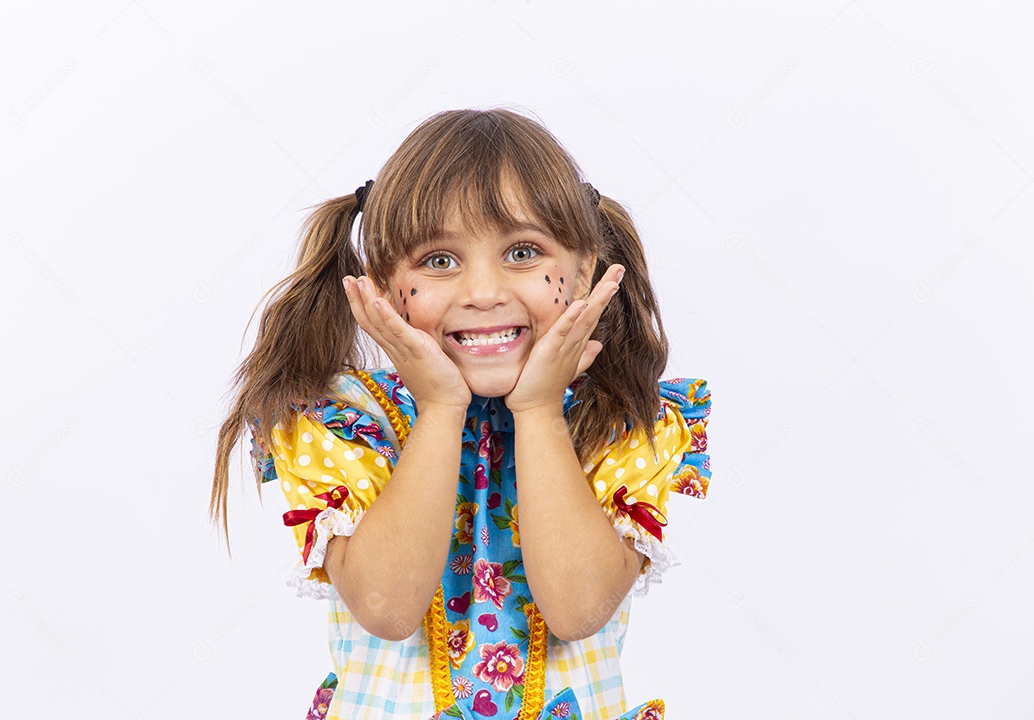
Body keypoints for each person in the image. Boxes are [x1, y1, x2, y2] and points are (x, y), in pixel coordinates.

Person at [211, 108, 712, 720]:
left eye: (523, 252)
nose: (483, 291)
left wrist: (538, 411)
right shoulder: (345, 419)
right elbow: (387, 607)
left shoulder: (627, 420)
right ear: (383, 286)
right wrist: (441, 409)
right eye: (439, 261)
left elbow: (578, 608)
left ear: (583, 271)